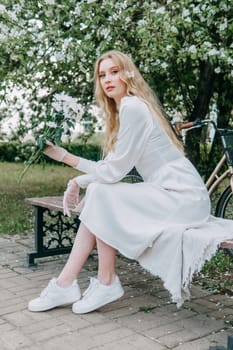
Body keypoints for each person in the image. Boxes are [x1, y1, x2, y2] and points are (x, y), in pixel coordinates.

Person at [28, 50, 233, 314]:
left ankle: (88, 282)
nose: (107, 79)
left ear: (129, 74)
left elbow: (113, 172)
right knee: (102, 195)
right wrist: (79, 180)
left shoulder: (134, 107)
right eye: (102, 75)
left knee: (103, 193)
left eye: (114, 72)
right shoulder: (126, 108)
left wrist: (66, 158)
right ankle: (87, 282)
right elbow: (115, 166)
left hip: (183, 197)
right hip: (168, 192)